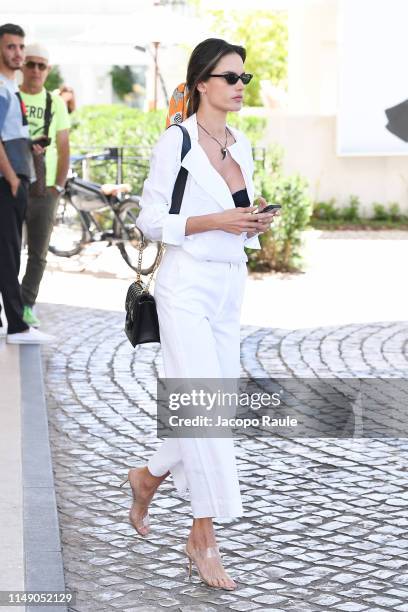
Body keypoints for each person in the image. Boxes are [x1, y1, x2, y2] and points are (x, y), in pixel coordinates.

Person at [122, 38, 278, 590]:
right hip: (185, 285)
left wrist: (252, 222)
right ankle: (203, 537)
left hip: (229, 285)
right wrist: (217, 221)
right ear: (202, 83)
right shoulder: (178, 142)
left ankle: (148, 475)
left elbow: (240, 214)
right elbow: (148, 221)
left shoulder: (243, 144)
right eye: (231, 77)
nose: (240, 85)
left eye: (245, 77)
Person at [0, 23, 53, 344]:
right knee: (9, 252)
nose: (18, 53)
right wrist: (11, 178)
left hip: (16, 177)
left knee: (6, 250)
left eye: (21, 46)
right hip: (8, 182)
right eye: (11, 47)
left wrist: (29, 145)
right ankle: (18, 326)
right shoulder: (2, 88)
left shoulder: (10, 86)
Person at [19, 43, 70, 327]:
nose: (36, 70)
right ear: (22, 66)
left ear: (47, 70)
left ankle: (26, 304)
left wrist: (58, 187)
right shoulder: (10, 97)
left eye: (41, 65)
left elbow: (64, 147)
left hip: (45, 189)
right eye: (31, 64)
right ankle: (10, 304)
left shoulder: (56, 103)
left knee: (38, 253)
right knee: (8, 250)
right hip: (11, 185)